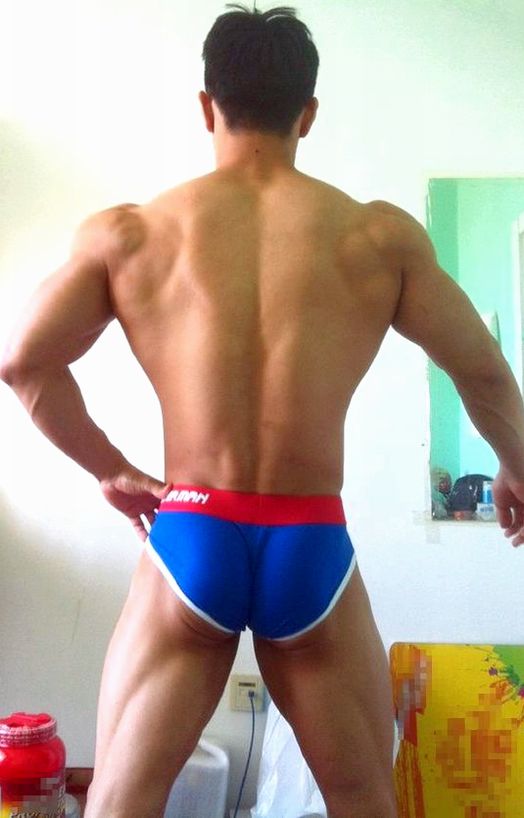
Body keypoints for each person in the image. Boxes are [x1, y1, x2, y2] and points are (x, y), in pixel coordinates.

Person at [2, 4, 524, 817]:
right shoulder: (378, 238)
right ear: (307, 114)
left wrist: (111, 469)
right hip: (310, 540)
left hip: (193, 531)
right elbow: (484, 372)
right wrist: (516, 466)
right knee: (363, 798)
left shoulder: (131, 235)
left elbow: (24, 362)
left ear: (206, 106)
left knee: (121, 799)